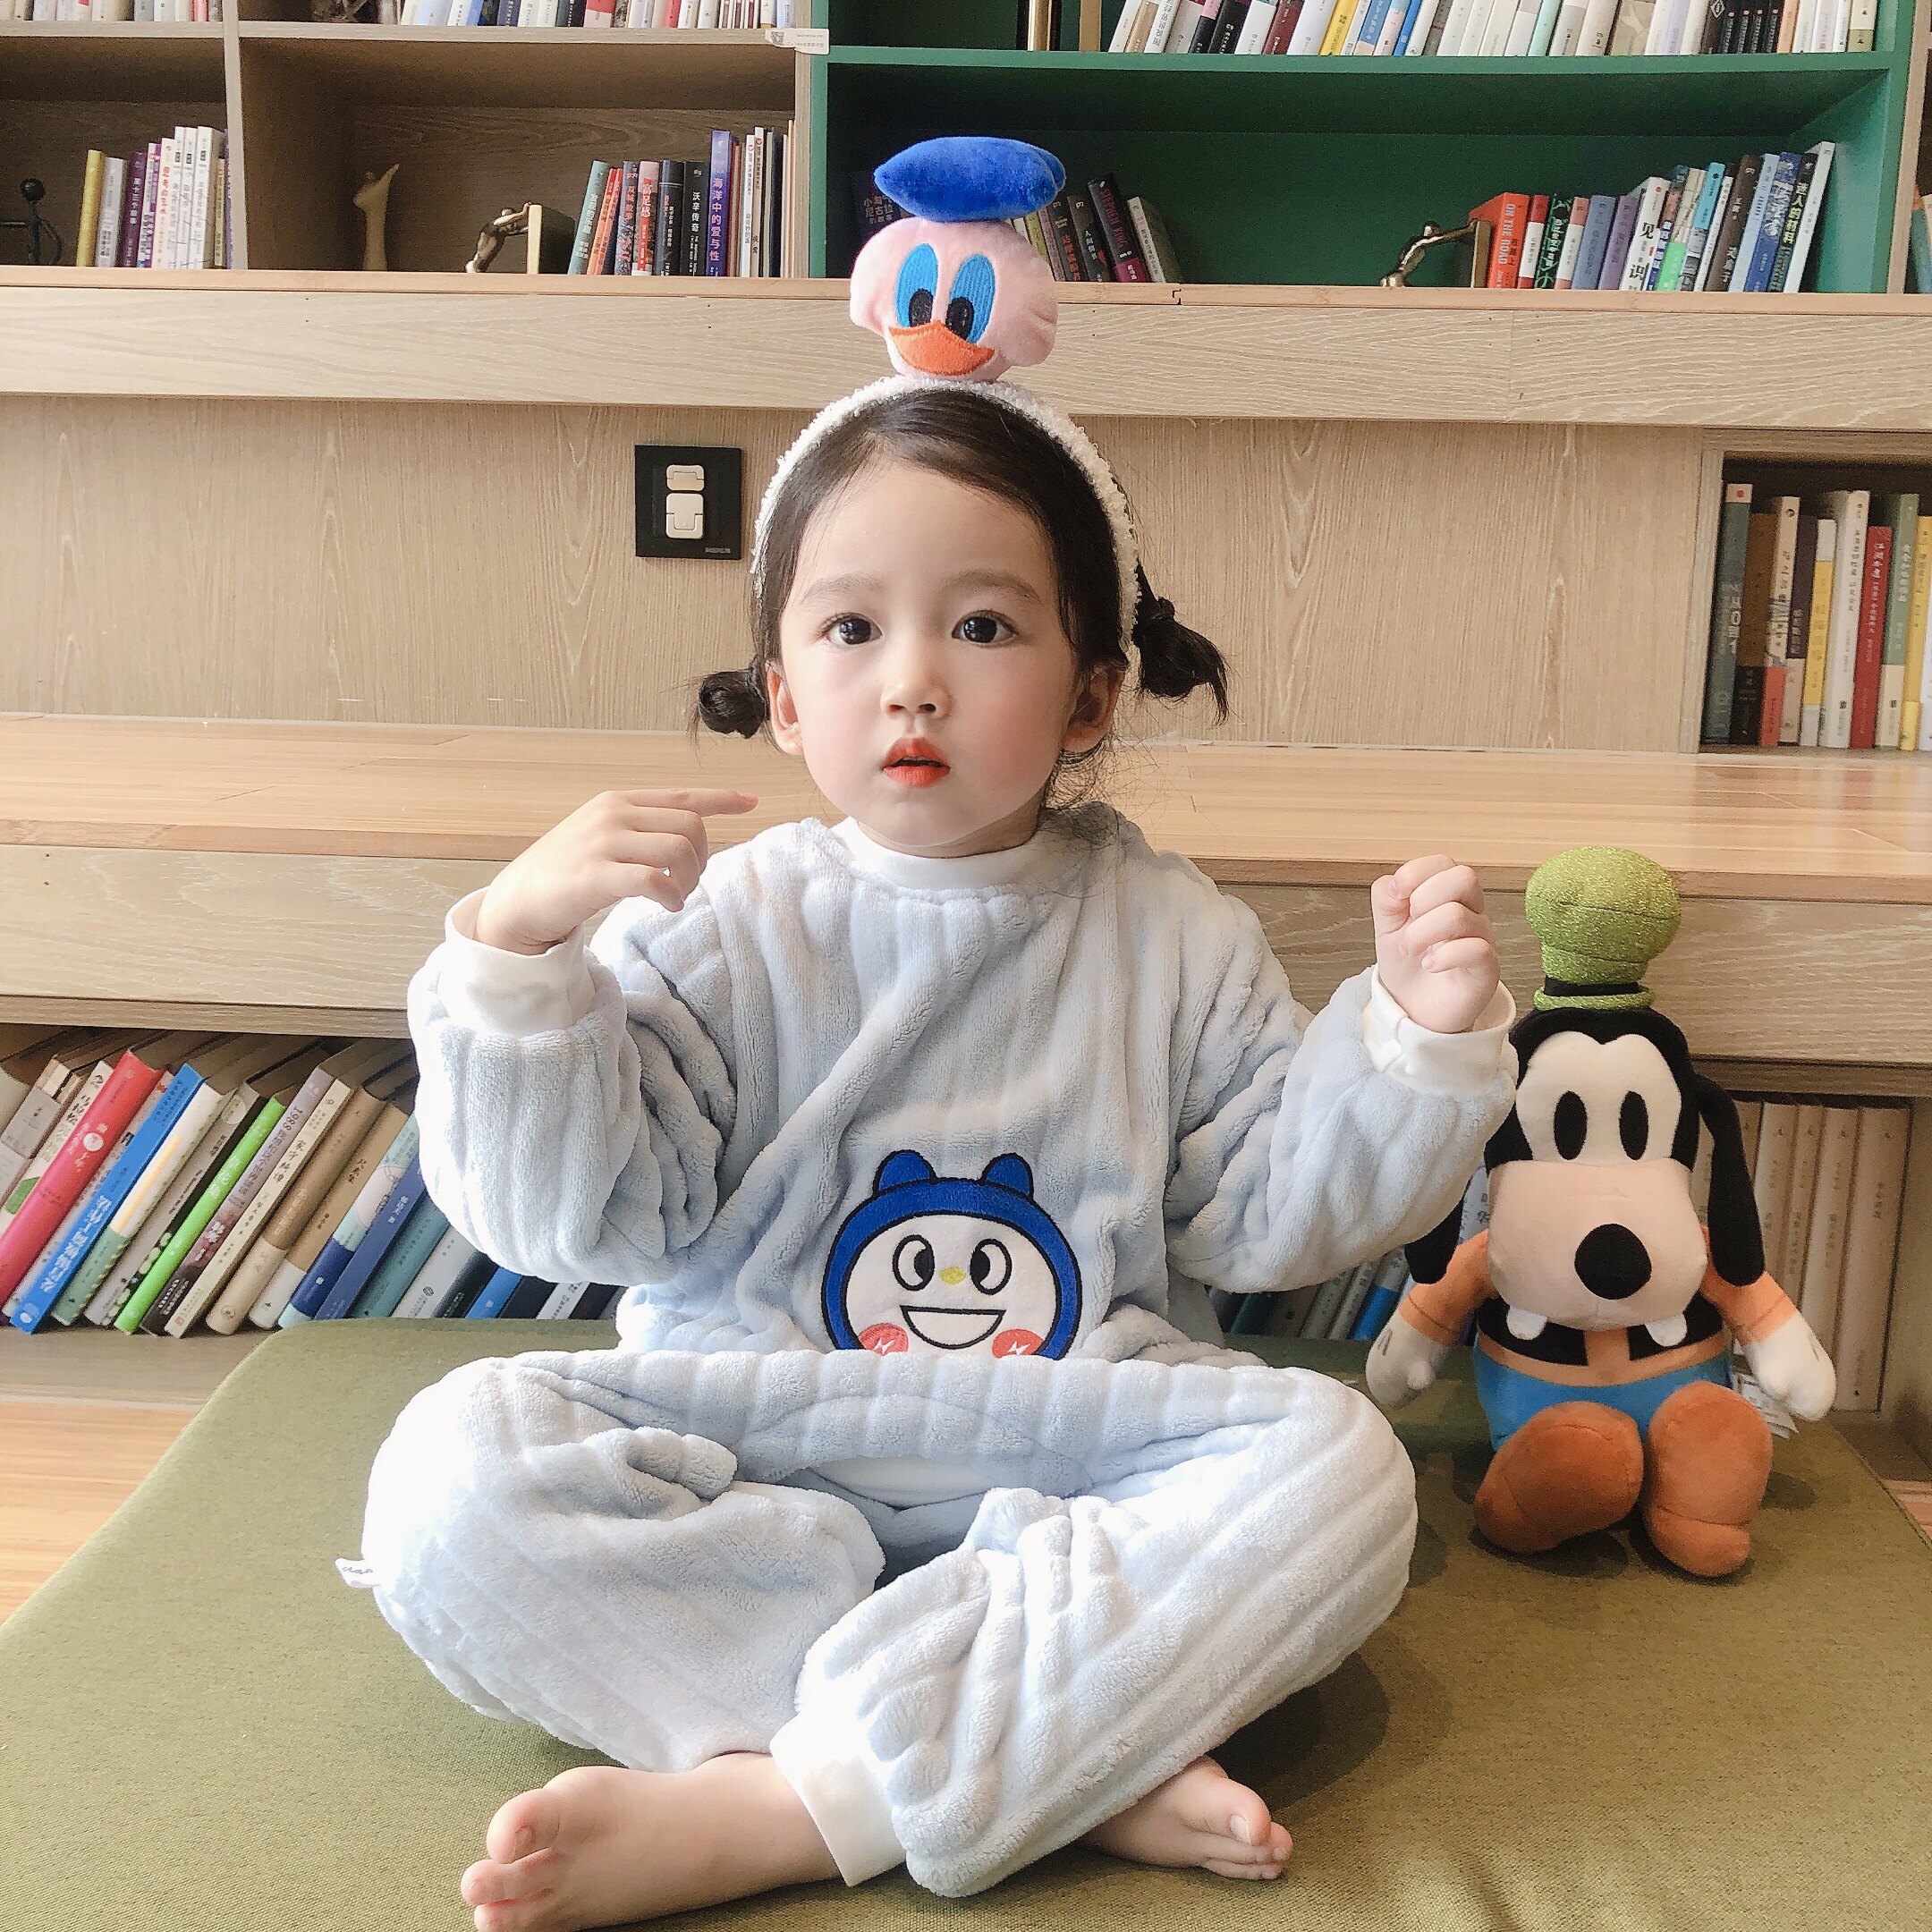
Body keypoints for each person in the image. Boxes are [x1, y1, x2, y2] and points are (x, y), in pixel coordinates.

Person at [343, 372, 1516, 1932]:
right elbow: (572, 1219)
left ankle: (798, 1805)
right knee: (445, 1482)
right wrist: (516, 963)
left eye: (982, 626)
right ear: (782, 696)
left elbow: (1265, 1219)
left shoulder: (1172, 932)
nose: (912, 683)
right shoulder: (715, 926)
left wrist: (1415, 1037)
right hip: (748, 1446)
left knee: (1345, 1475)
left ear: (1090, 696)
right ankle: (1057, 1745)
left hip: (1080, 1448)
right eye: (852, 629)